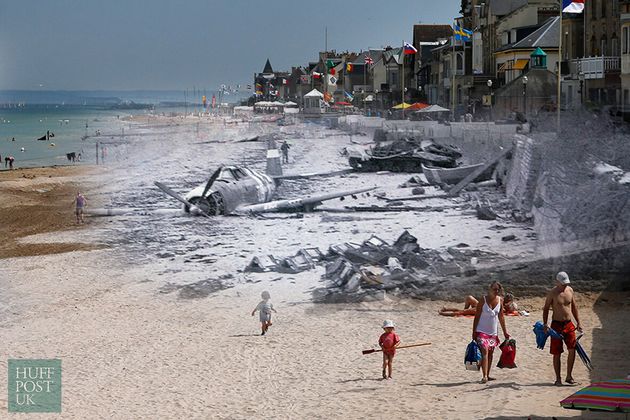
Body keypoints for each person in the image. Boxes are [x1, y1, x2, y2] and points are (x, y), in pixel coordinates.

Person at [543, 271, 582, 386]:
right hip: (556, 325)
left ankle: (569, 376)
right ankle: (558, 379)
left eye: (566, 283)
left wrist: (578, 322)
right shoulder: (552, 293)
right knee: (557, 352)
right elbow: (545, 308)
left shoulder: (570, 290)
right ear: (557, 282)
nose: (565, 285)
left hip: (569, 324)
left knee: (572, 349)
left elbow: (573, 307)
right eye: (563, 283)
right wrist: (545, 323)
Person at [472, 282, 510, 383]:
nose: (496, 291)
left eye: (498, 289)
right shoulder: (483, 300)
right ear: (490, 289)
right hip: (481, 331)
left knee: (491, 353)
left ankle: (487, 375)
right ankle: (484, 376)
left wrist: (505, 332)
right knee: (485, 352)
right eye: (494, 289)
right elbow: (477, 316)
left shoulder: (500, 300)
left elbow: (501, 317)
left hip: (493, 333)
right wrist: (474, 331)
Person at [440, 293, 517, 317]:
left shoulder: (502, 307)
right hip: (482, 306)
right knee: (469, 298)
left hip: (482, 309)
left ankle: (444, 313)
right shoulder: (500, 300)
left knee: (462, 312)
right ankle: (446, 309)